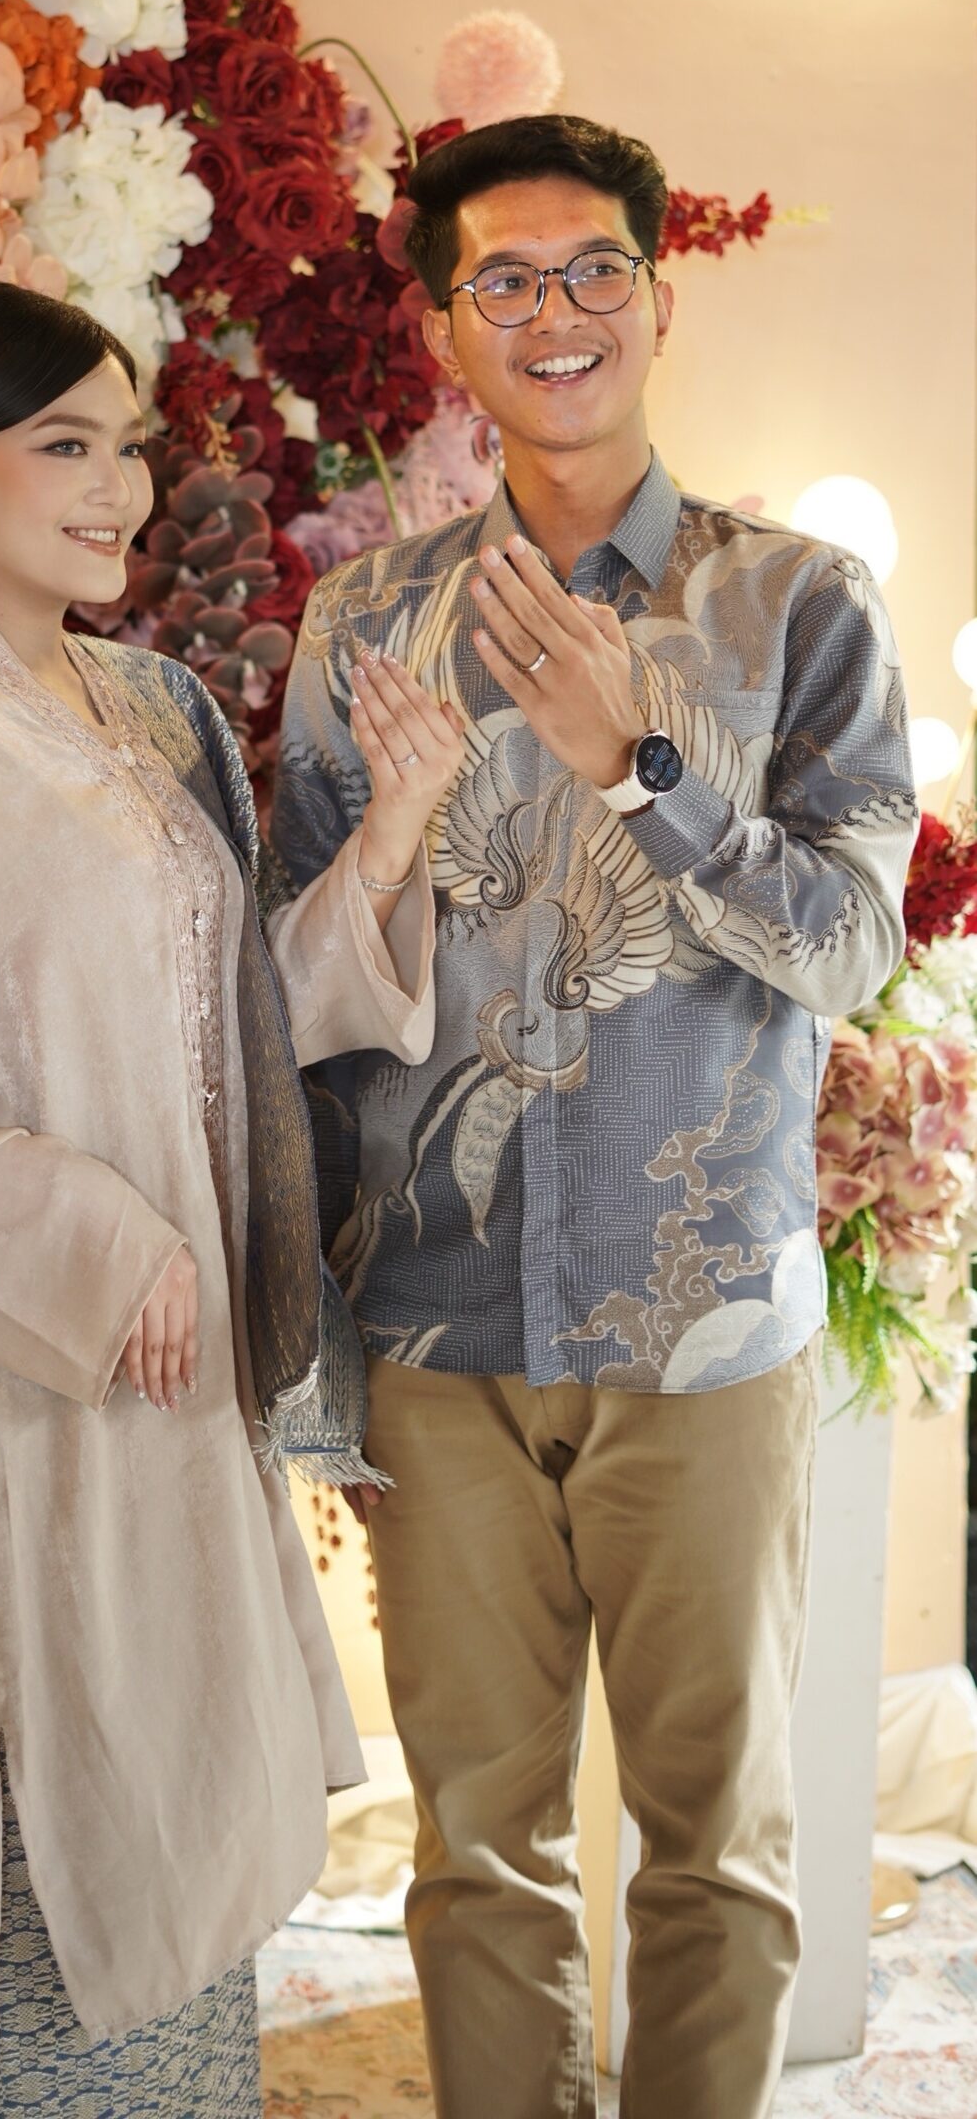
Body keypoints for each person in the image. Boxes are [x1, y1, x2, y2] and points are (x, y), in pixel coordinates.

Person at [0, 280, 463, 2116]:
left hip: (153, 1389)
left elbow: (215, 1024)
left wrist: (385, 842)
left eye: (126, 444)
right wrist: (94, 1236)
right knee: (26, 1863)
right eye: (63, 445)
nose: (118, 488)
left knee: (170, 1869)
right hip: (13, 1384)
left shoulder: (133, 704)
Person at [271, 112, 916, 2119]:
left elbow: (854, 945)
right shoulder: (362, 625)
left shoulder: (796, 607)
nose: (555, 312)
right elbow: (296, 993)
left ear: (657, 292)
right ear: (446, 328)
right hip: (441, 1325)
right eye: (505, 280)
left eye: (593, 269)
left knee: (716, 1847)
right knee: (476, 1852)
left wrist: (644, 766)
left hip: (699, 1323)